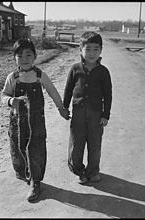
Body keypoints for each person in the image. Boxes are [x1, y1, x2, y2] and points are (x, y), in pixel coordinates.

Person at [1, 38, 69, 202]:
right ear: (14, 58)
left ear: (35, 56)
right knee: (18, 148)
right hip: (17, 122)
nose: (24, 59)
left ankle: (35, 182)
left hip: (36, 122)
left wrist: (61, 108)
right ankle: (24, 172)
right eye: (20, 55)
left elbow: (53, 92)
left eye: (28, 54)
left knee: (36, 149)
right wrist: (11, 101)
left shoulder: (40, 76)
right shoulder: (13, 77)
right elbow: (4, 95)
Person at [63, 31, 112, 184]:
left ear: (101, 50)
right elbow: (68, 89)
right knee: (76, 144)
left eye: (96, 49)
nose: (92, 53)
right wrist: (64, 107)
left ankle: (93, 171)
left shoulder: (103, 72)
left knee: (94, 145)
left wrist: (105, 115)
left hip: (96, 116)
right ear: (80, 50)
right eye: (88, 49)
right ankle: (79, 171)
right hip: (78, 114)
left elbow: (108, 95)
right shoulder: (75, 69)